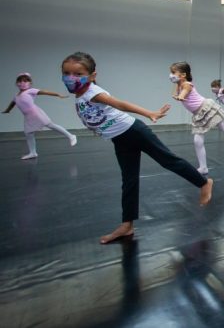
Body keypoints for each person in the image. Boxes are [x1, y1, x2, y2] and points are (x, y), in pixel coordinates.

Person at [62, 52, 213, 244]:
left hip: (134, 131)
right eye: (67, 73)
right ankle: (127, 225)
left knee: (168, 160)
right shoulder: (81, 95)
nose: (70, 78)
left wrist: (149, 113)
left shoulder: (93, 92)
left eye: (77, 73)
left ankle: (204, 183)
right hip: (120, 139)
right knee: (129, 180)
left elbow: (120, 104)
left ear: (92, 76)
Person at [170, 62, 224, 175]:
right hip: (198, 114)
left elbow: (182, 96)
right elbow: (174, 94)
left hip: (206, 108)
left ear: (183, 75)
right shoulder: (179, 84)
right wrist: (177, 84)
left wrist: (180, 96)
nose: (171, 75)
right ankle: (203, 167)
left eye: (173, 72)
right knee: (197, 141)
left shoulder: (187, 84)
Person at [3, 72, 77, 159]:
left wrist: (57, 95)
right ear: (17, 83)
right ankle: (33, 152)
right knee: (28, 133)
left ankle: (71, 136)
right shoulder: (16, 96)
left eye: (25, 81)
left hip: (36, 113)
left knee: (50, 125)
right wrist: (7, 110)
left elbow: (44, 92)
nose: (22, 83)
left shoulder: (30, 91)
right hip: (28, 116)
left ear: (30, 83)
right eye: (20, 81)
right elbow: (13, 103)